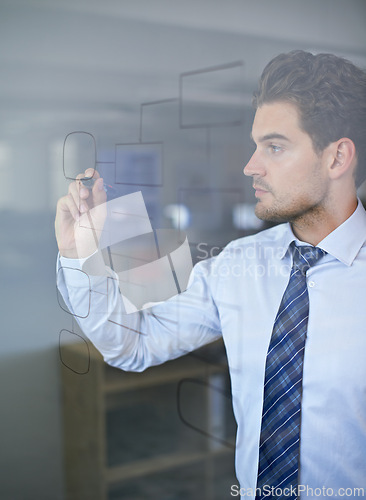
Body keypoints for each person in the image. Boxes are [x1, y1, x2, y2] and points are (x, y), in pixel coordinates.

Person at [56, 51, 366, 499]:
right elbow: (132, 344)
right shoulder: (237, 265)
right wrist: (79, 255)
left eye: (274, 147)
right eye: (255, 145)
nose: (250, 166)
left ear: (337, 157)